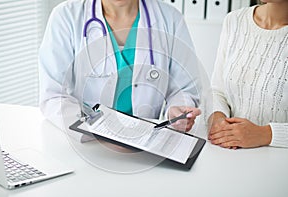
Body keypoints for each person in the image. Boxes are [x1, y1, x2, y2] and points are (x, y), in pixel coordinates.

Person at [39, 0, 202, 141]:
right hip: (88, 143)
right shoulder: (66, 17)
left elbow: (184, 89)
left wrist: (177, 112)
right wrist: (89, 129)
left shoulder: (170, 19)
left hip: (146, 145)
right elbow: (53, 95)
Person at [208, 0, 288, 148]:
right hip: (228, 155)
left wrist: (266, 134)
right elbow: (217, 90)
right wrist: (218, 119)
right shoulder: (234, 21)